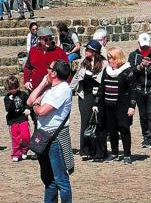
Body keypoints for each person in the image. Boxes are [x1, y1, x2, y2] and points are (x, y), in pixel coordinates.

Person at [27, 59, 73, 202]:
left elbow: (41, 111)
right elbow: (30, 101)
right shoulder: (51, 88)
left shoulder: (63, 89)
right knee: (48, 180)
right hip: (43, 137)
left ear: (54, 73)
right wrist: (42, 84)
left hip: (55, 139)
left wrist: (36, 104)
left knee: (61, 180)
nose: (46, 70)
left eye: (49, 68)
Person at [69, 40, 107, 161]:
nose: (86, 51)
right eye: (86, 49)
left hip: (98, 96)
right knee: (85, 122)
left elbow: (104, 80)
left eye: (89, 50)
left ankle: (98, 150)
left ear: (95, 52)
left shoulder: (104, 64)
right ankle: (85, 150)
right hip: (84, 96)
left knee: (98, 122)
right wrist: (69, 90)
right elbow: (76, 77)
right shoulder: (83, 62)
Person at [98, 46, 136, 164]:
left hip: (122, 106)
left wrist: (132, 106)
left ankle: (127, 155)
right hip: (108, 104)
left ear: (117, 58)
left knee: (124, 129)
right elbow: (102, 87)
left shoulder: (127, 71)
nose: (109, 60)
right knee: (112, 129)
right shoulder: (107, 70)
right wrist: (98, 103)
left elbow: (133, 90)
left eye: (110, 58)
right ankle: (114, 153)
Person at [128, 33, 151, 150]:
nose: (144, 49)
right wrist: (141, 66)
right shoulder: (133, 55)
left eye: (146, 47)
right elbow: (131, 72)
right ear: (138, 44)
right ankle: (146, 137)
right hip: (139, 89)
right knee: (143, 115)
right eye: (142, 47)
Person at [24, 27, 69, 92]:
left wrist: (64, 85)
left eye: (50, 39)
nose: (48, 41)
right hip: (35, 89)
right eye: (46, 39)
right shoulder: (33, 51)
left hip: (53, 90)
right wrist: (27, 81)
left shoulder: (60, 52)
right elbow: (27, 67)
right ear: (39, 39)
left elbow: (66, 70)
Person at [4, 75, 31, 162]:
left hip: (22, 118)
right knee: (15, 138)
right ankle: (16, 153)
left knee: (26, 136)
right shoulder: (7, 98)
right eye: (11, 88)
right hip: (13, 120)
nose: (14, 90)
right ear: (8, 88)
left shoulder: (23, 94)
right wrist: (11, 101)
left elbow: (28, 102)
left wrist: (27, 108)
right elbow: (8, 109)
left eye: (15, 87)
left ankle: (24, 150)